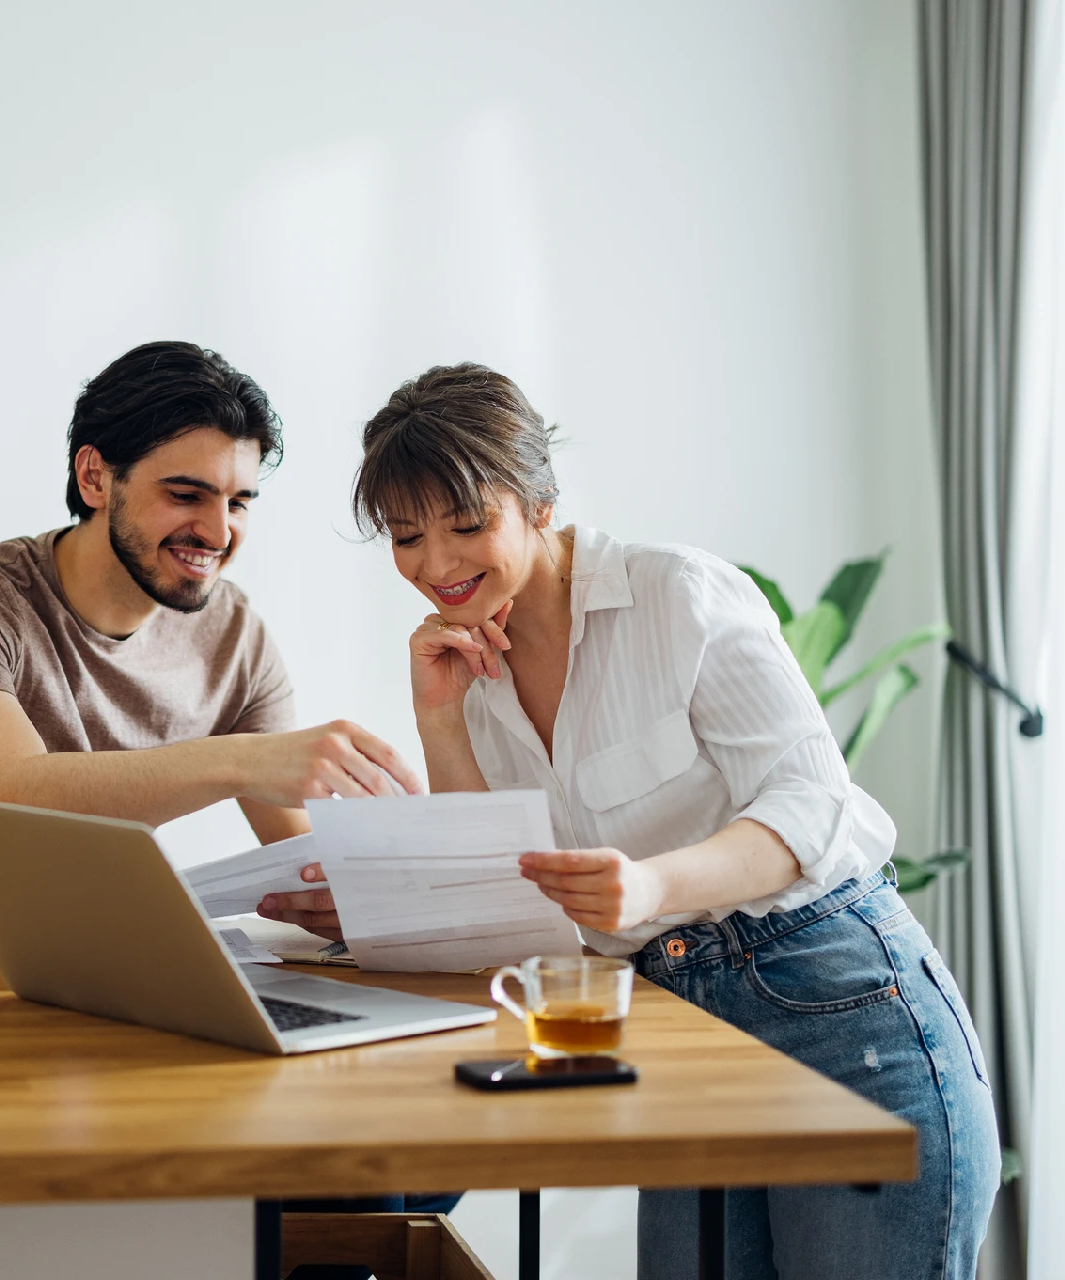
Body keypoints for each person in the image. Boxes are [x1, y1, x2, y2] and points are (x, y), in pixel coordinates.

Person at [261, 363, 1001, 1279]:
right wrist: (439, 721)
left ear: (539, 501)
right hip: (677, 1034)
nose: (437, 566)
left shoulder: (678, 594)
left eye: (466, 525)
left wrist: (653, 883)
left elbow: (813, 799)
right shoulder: (471, 669)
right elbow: (504, 890)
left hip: (835, 1005)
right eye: (408, 538)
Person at [0, 340, 423, 925]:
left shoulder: (235, 636)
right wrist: (240, 762)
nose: (219, 533)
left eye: (239, 503)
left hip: (133, 976)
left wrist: (344, 895)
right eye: (186, 495)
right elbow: (7, 788)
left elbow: (295, 851)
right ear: (95, 477)